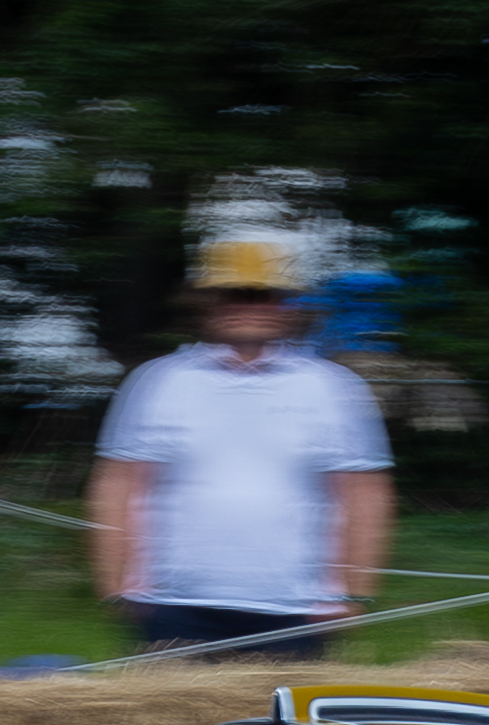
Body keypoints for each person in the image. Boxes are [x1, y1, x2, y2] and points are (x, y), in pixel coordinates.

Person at [88, 242, 393, 659]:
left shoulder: (333, 386)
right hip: (173, 605)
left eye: (262, 294)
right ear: (206, 303)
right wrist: (113, 583)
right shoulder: (156, 381)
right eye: (232, 293)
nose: (247, 304)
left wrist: (356, 590)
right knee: (169, 724)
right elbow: (118, 485)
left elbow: (364, 493)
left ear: (287, 305)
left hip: (297, 609)